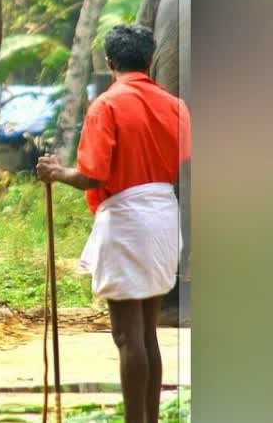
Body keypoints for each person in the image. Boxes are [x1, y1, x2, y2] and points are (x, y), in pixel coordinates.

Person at [36, 24, 189, 423]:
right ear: (151, 59)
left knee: (127, 335)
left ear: (109, 63)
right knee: (148, 331)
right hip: (164, 217)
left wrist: (55, 172)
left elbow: (93, 176)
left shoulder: (107, 105)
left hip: (126, 220)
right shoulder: (177, 107)